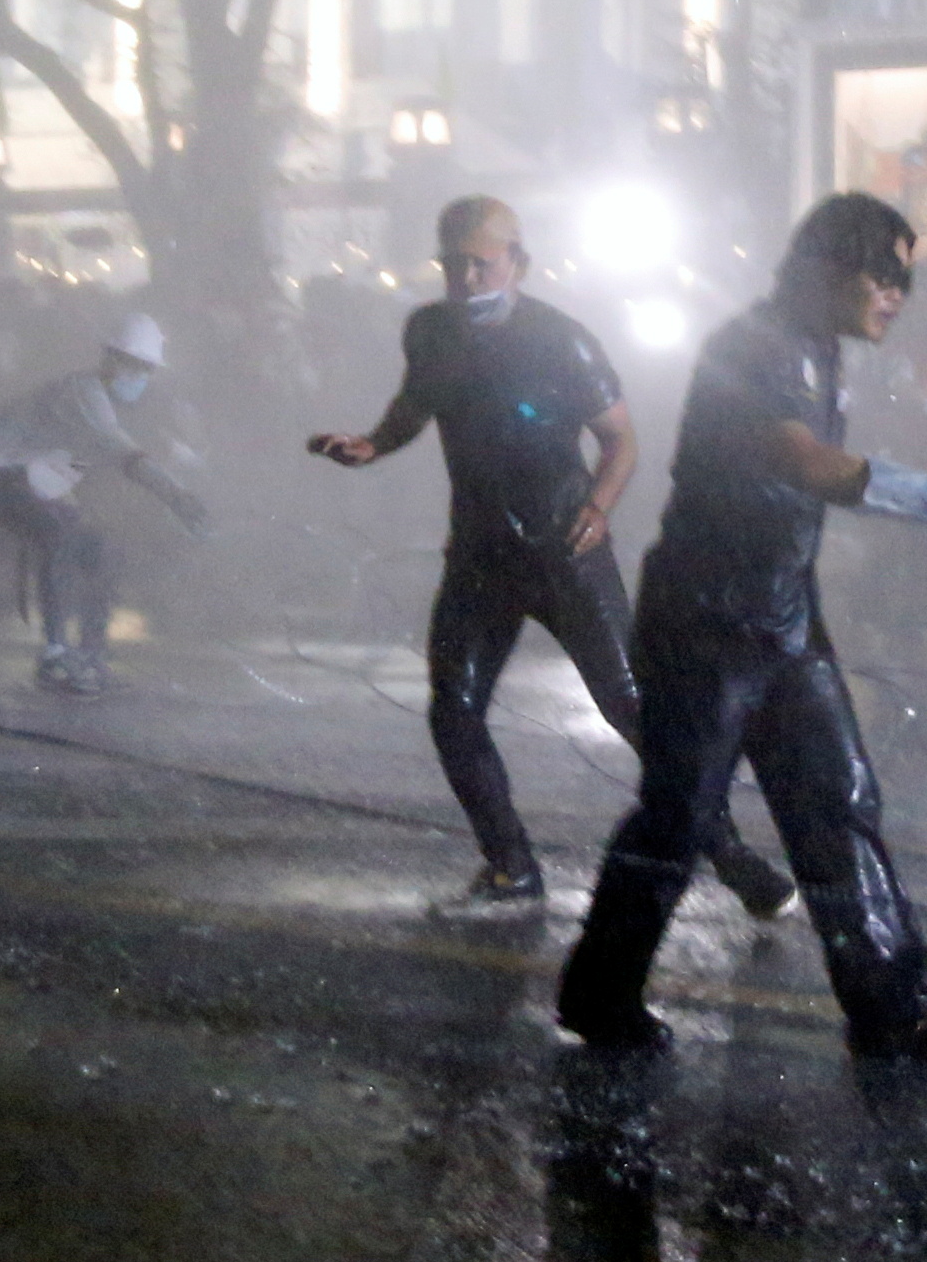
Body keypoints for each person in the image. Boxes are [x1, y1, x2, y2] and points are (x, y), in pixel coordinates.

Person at [557, 193, 927, 1064]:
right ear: (829, 269)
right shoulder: (755, 346)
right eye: (885, 274)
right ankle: (599, 993)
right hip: (706, 621)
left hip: (782, 616)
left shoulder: (812, 349)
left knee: (837, 801)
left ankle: (893, 1005)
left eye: (903, 279)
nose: (896, 296)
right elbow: (797, 459)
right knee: (677, 819)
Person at [309, 196, 796, 915]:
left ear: (518, 262)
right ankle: (510, 868)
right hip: (480, 552)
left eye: (482, 260)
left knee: (631, 707)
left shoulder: (560, 339)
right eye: (454, 262)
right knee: (455, 709)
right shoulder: (431, 330)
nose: (467, 275)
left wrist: (598, 507)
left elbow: (621, 439)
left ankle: (735, 859)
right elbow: (415, 406)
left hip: (564, 549)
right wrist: (372, 443)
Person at [0, 312, 205, 694]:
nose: (139, 376)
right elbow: (123, 452)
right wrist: (176, 495)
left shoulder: (102, 400)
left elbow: (126, 451)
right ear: (111, 360)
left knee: (102, 550)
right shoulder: (83, 392)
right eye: (133, 365)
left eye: (146, 369)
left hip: (29, 476)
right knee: (61, 532)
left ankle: (90, 657)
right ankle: (56, 657)